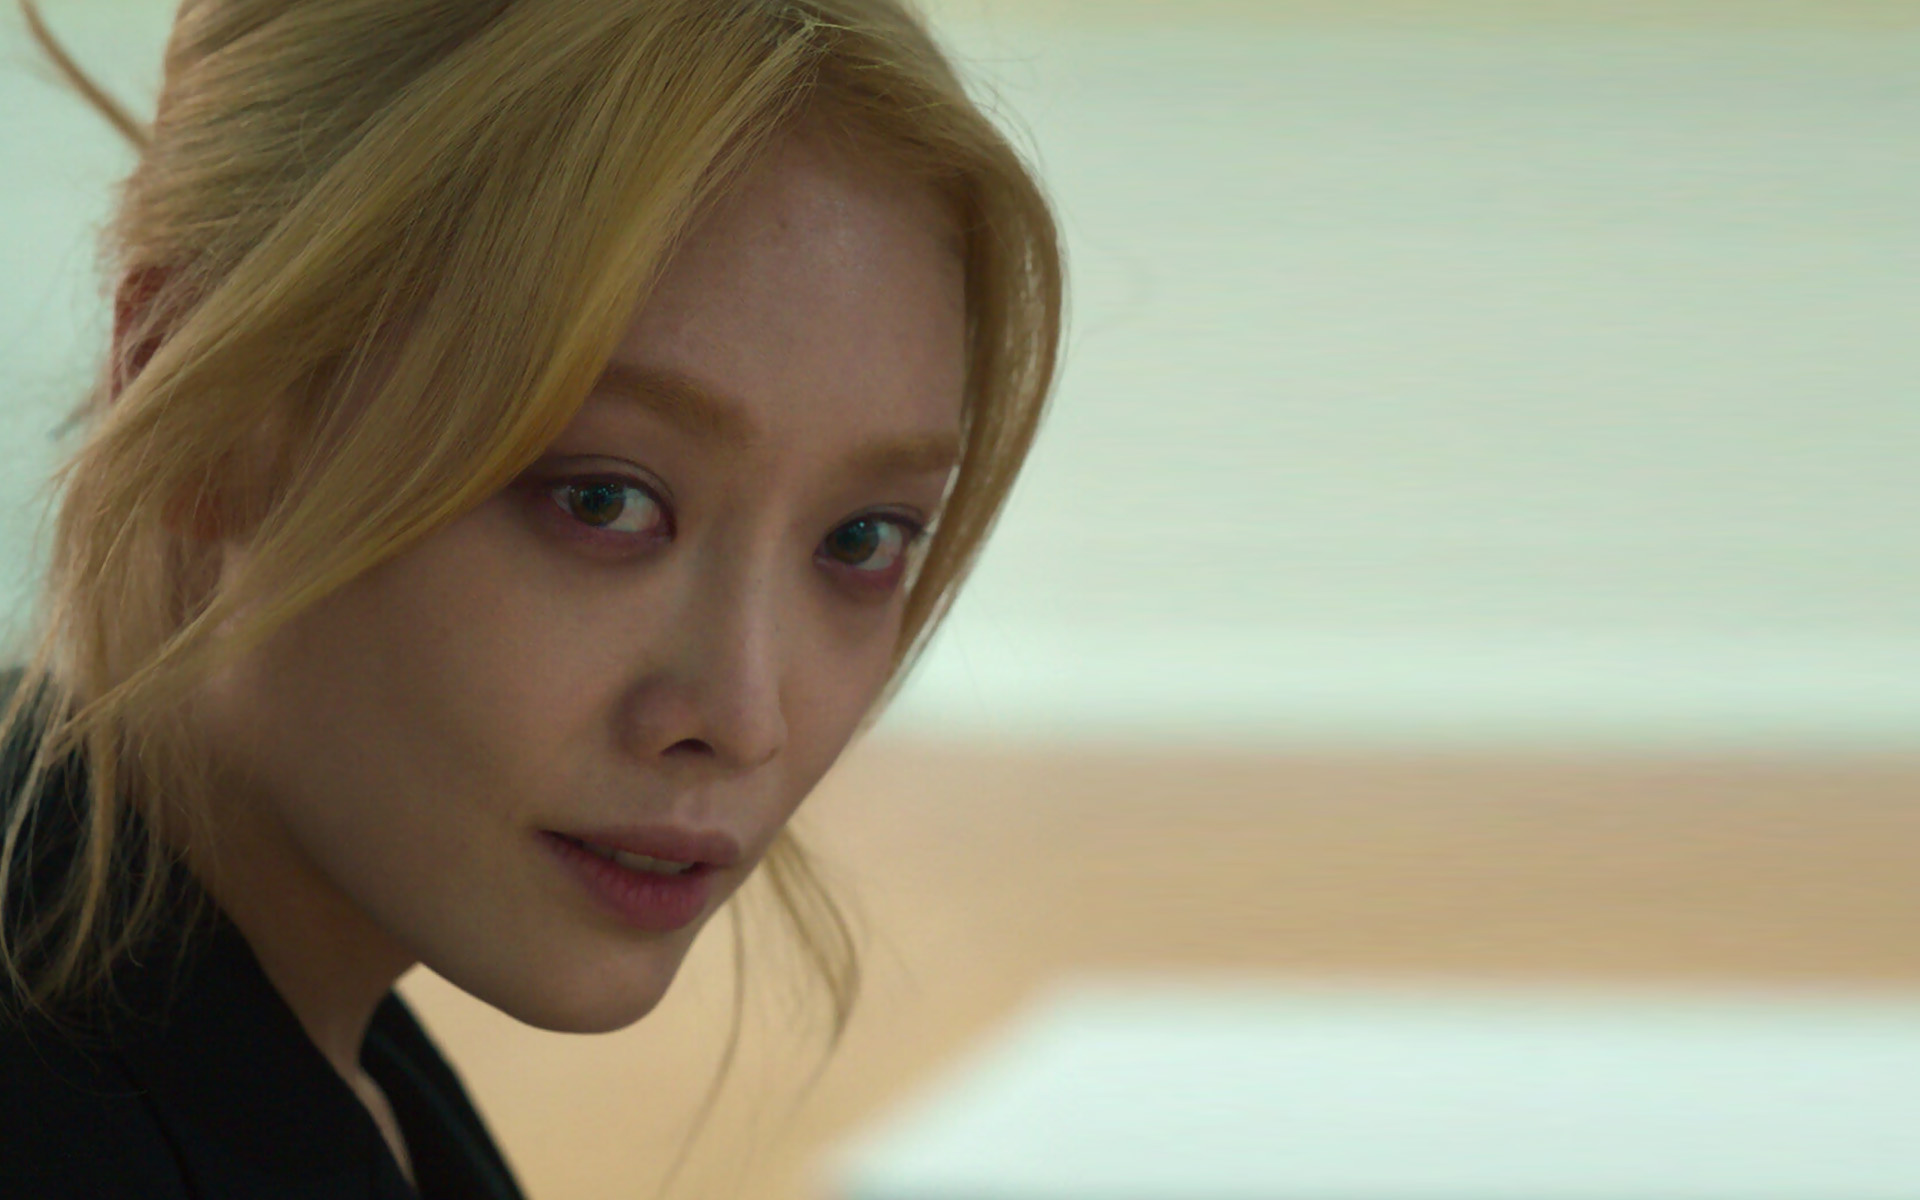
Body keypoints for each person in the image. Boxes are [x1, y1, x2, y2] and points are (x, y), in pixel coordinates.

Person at [0, 0, 1062, 1195]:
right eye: (606, 501)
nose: (743, 717)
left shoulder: (314, 1066)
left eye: (861, 539)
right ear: (197, 400)